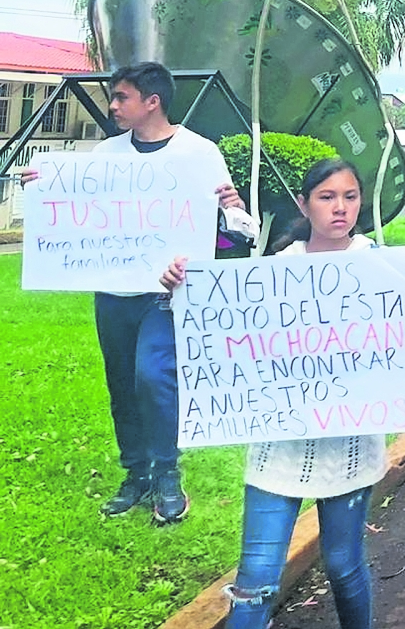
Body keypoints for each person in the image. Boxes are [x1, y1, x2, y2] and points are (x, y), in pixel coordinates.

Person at [163, 158, 405, 628]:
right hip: (278, 454)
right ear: (304, 203)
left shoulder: (386, 267)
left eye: (350, 197)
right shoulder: (274, 271)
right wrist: (183, 288)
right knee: (254, 580)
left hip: (349, 451)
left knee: (343, 565)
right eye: (327, 197)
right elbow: (225, 344)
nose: (340, 208)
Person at [22, 62, 251, 524]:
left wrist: (235, 210)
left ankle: (168, 475)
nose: (113, 106)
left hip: (165, 296)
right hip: (113, 293)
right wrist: (42, 188)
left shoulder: (199, 155)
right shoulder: (105, 156)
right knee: (122, 385)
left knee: (153, 376)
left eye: (122, 97)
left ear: (153, 101)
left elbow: (233, 236)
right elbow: (76, 205)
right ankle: (136, 474)